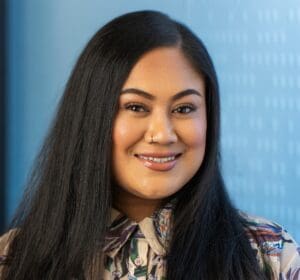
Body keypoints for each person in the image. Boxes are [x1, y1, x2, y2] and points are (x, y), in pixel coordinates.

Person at [0, 10, 299, 280]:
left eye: (184, 109)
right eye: (136, 107)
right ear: (91, 117)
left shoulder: (269, 254)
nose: (162, 134)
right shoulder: (13, 259)